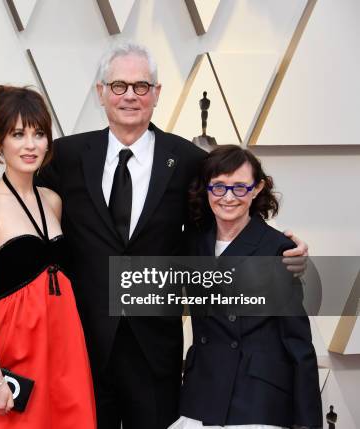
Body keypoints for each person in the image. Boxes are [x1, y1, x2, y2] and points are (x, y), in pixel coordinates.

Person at [36, 42, 309, 429]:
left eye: (141, 86)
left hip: (155, 348)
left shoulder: (188, 161)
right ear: (101, 93)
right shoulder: (64, 156)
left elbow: (226, 213)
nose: (130, 95)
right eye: (119, 86)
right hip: (83, 343)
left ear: (157, 94)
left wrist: (282, 248)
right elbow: (24, 207)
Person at [0, 85, 96, 428]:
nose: (30, 145)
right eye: (18, 134)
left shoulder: (52, 200)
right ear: (0, 141)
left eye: (39, 134)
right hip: (10, 346)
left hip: (62, 345)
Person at [172, 145, 322, 428]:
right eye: (219, 187)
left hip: (256, 400)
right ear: (207, 189)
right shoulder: (192, 243)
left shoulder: (278, 250)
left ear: (257, 189)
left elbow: (298, 342)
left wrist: (308, 422)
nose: (229, 197)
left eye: (240, 187)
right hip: (200, 396)